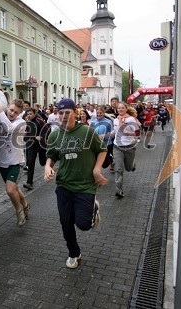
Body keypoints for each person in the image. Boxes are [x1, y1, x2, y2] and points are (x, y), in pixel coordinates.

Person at [44, 98, 108, 269]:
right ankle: (74, 253)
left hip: (85, 185)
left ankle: (93, 208)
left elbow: (102, 150)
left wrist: (96, 170)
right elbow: (51, 155)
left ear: (75, 113)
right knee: (66, 222)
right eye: (60, 113)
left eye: (67, 112)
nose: (64, 116)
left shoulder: (87, 132)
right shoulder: (55, 135)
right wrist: (48, 166)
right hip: (64, 184)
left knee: (84, 225)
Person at [0, 99, 31, 226]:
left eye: (16, 112)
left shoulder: (22, 122)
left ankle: (19, 211)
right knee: (14, 189)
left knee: (10, 190)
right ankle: (25, 205)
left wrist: (0, 110)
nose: (12, 113)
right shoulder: (0, 120)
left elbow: (9, 129)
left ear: (19, 113)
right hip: (2, 163)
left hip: (16, 163)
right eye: (11, 110)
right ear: (8, 106)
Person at [111, 102, 141, 198]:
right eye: (119, 108)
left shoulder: (131, 119)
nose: (120, 109)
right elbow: (115, 131)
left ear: (126, 109)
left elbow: (137, 133)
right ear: (117, 110)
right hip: (117, 147)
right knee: (119, 169)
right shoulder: (115, 120)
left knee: (128, 168)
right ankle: (118, 190)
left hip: (129, 147)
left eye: (122, 108)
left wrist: (126, 132)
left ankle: (132, 164)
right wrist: (107, 134)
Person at [23, 108, 47, 190]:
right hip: (31, 145)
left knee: (43, 162)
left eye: (31, 114)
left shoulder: (40, 121)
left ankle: (49, 168)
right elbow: (24, 136)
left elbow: (47, 130)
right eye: (28, 114)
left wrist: (42, 137)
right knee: (30, 163)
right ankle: (29, 182)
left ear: (35, 113)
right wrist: (32, 137)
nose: (29, 115)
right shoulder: (26, 123)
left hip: (40, 145)